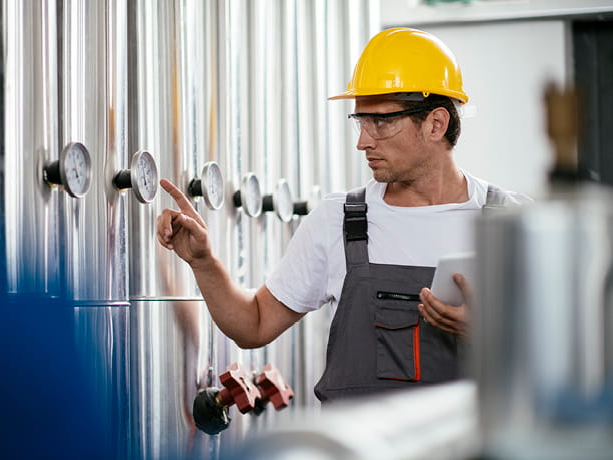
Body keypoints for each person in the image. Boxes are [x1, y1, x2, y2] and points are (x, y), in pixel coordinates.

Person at [156, 27, 531, 402]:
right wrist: (204, 262)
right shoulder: (339, 220)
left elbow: (573, 355)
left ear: (435, 123)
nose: (363, 142)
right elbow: (253, 325)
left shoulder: (511, 222)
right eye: (360, 122)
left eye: (381, 122)